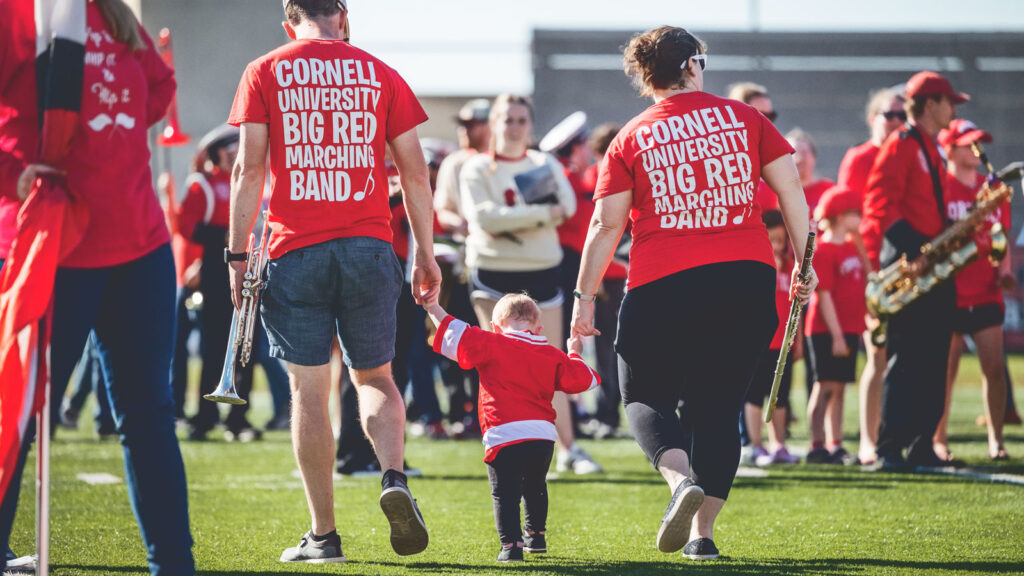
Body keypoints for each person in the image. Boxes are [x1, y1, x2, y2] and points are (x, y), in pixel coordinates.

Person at [571, 26, 815, 561]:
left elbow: (605, 226)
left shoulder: (631, 135)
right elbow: (790, 187)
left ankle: (680, 482)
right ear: (692, 66)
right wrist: (804, 260)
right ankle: (702, 535)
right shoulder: (745, 117)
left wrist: (584, 297)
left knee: (642, 395)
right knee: (717, 408)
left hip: (664, 280)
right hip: (746, 278)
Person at [227, 0, 440, 562]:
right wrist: (425, 254)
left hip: (294, 249)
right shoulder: (380, 72)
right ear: (342, 16)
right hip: (371, 246)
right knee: (375, 377)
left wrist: (234, 254)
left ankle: (324, 536)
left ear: (288, 18)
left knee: (309, 390)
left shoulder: (264, 69)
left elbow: (249, 169)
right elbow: (415, 174)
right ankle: (393, 476)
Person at [0, 0, 195, 573]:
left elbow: (158, 90)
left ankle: (173, 565)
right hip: (52, 242)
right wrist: (14, 171)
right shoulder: (17, 13)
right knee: (20, 410)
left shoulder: (113, 12)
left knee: (148, 416)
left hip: (139, 244)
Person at [460, 94, 602, 475]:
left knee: (551, 361)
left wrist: (513, 219)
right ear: (494, 123)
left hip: (542, 272)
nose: (515, 126)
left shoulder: (543, 163)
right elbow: (485, 219)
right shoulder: (476, 168)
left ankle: (569, 449)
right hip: (492, 275)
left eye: (522, 119)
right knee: (496, 366)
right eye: (507, 119)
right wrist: (541, 215)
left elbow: (568, 207)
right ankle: (501, 448)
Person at [424, 292, 600, 562]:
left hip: (503, 435)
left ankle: (511, 546)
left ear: (495, 325)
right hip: (542, 436)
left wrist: (432, 305)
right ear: (538, 328)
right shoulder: (550, 353)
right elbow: (584, 380)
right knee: (535, 487)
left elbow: (453, 329)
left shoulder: (490, 342)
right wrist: (574, 353)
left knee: (505, 495)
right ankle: (536, 536)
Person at [861, 70, 969, 471]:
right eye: (949, 102)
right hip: (910, 266)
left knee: (935, 358)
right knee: (905, 358)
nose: (954, 109)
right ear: (929, 105)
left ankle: (923, 444)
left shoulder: (933, 147)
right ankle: (889, 447)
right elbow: (879, 204)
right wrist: (913, 249)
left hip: (935, 265)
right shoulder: (902, 145)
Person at [177, 124, 264, 442]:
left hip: (251, 269)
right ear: (217, 154)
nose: (234, 154)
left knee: (247, 347)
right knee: (214, 346)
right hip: (217, 270)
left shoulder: (256, 181)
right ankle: (205, 415)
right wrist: (225, 239)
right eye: (228, 150)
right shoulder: (204, 185)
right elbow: (186, 226)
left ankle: (238, 417)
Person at [935, 119, 1012, 461]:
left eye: (978, 142)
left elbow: (1002, 238)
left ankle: (996, 440)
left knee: (994, 369)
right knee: (945, 372)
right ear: (950, 148)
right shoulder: (941, 186)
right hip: (950, 292)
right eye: (969, 143)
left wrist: (1005, 270)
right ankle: (939, 440)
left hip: (985, 291)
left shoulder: (991, 189)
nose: (977, 149)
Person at [837, 85, 906, 465]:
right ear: (872, 119)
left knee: (913, 357)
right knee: (876, 357)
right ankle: (868, 440)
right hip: (875, 271)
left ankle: (920, 438)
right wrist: (868, 270)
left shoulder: (913, 155)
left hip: (912, 267)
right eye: (889, 115)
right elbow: (849, 219)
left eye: (902, 116)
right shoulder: (860, 158)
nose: (896, 122)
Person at [433, 98, 491, 438]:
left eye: (471, 124)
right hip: (460, 265)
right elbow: (443, 209)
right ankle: (460, 411)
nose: (464, 130)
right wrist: (467, 225)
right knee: (456, 340)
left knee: (493, 341)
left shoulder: (495, 160)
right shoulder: (455, 162)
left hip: (494, 260)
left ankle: (489, 411)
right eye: (463, 124)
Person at [804, 186, 865, 465]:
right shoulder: (824, 250)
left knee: (839, 387)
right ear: (840, 215)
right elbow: (824, 296)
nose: (860, 217)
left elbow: (867, 275)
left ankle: (835, 442)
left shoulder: (853, 246)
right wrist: (837, 336)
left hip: (850, 328)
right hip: (826, 330)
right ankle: (816, 445)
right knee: (824, 386)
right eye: (856, 213)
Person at [744, 210, 800, 466]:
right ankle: (756, 445)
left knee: (780, 397)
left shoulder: (791, 267)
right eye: (772, 240)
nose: (777, 246)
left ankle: (779, 444)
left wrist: (796, 343)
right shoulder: (753, 266)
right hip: (757, 343)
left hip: (782, 345)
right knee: (754, 395)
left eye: (781, 240)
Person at [786, 128, 834, 218]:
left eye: (804, 153)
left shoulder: (828, 190)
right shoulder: (776, 193)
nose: (799, 159)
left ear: (813, 158)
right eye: (793, 154)